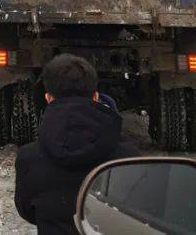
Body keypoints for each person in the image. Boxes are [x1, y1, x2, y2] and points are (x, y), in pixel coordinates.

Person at [14, 54, 139, 234]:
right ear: (96, 97)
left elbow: (27, 212)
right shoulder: (129, 157)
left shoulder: (28, 158)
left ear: (48, 98)